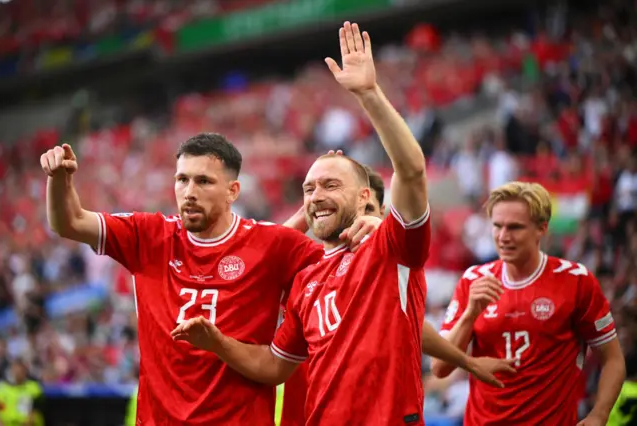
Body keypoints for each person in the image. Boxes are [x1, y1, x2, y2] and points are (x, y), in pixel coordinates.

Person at [172, 22, 513, 425]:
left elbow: (411, 170)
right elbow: (273, 367)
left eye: (331, 184)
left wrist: (369, 94)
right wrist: (217, 342)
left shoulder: (390, 247)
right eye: (309, 188)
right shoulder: (305, 276)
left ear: (366, 196)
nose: (316, 195)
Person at [40, 134, 378, 424]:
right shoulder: (149, 235)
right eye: (181, 179)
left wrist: (364, 210)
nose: (189, 191)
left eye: (203, 181)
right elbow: (68, 222)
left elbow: (350, 263)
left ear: (233, 191)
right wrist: (59, 179)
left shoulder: (274, 245)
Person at [278, 165, 516, 426]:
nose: (360, 222)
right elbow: (269, 252)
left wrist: (466, 362)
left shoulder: (387, 258)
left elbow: (407, 324)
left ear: (382, 213)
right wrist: (311, 203)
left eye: (369, 212)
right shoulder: (310, 266)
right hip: (305, 412)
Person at [432, 181, 626, 425]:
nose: (503, 236)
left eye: (515, 227)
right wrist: (470, 314)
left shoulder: (576, 281)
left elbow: (613, 359)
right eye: (497, 226)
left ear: (541, 229)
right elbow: (439, 367)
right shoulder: (473, 280)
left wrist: (599, 414)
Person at [0, 359, 44, 426]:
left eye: (21, 370)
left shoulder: (34, 388)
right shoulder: (1, 389)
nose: (17, 372)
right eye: (15, 370)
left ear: (25, 371)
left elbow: (36, 412)